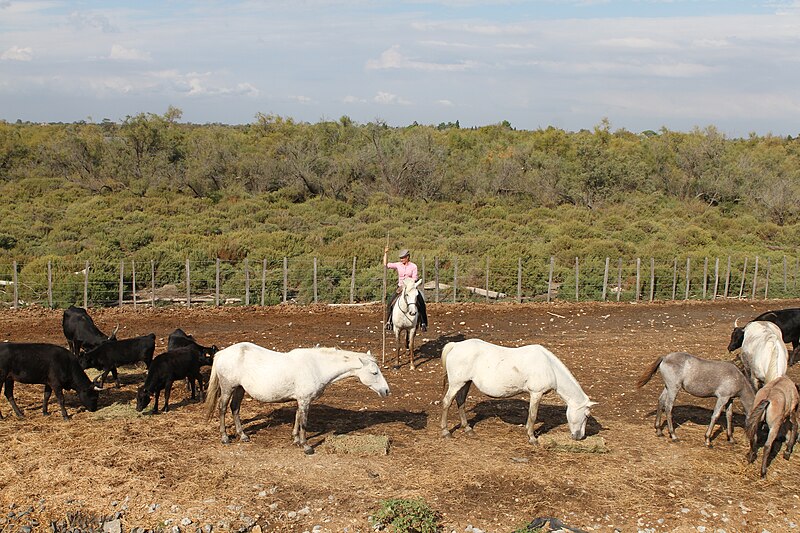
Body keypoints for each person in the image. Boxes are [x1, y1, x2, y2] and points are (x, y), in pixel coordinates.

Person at [383, 246, 428, 332]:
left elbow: (415, 278)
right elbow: (386, 264)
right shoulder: (398, 265)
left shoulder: (413, 266)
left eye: (403, 258)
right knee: (390, 303)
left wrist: (409, 285)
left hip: (411, 287)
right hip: (400, 287)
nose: (401, 260)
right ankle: (389, 322)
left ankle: (423, 323)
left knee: (421, 303)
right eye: (400, 258)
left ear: (407, 257)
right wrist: (385, 253)